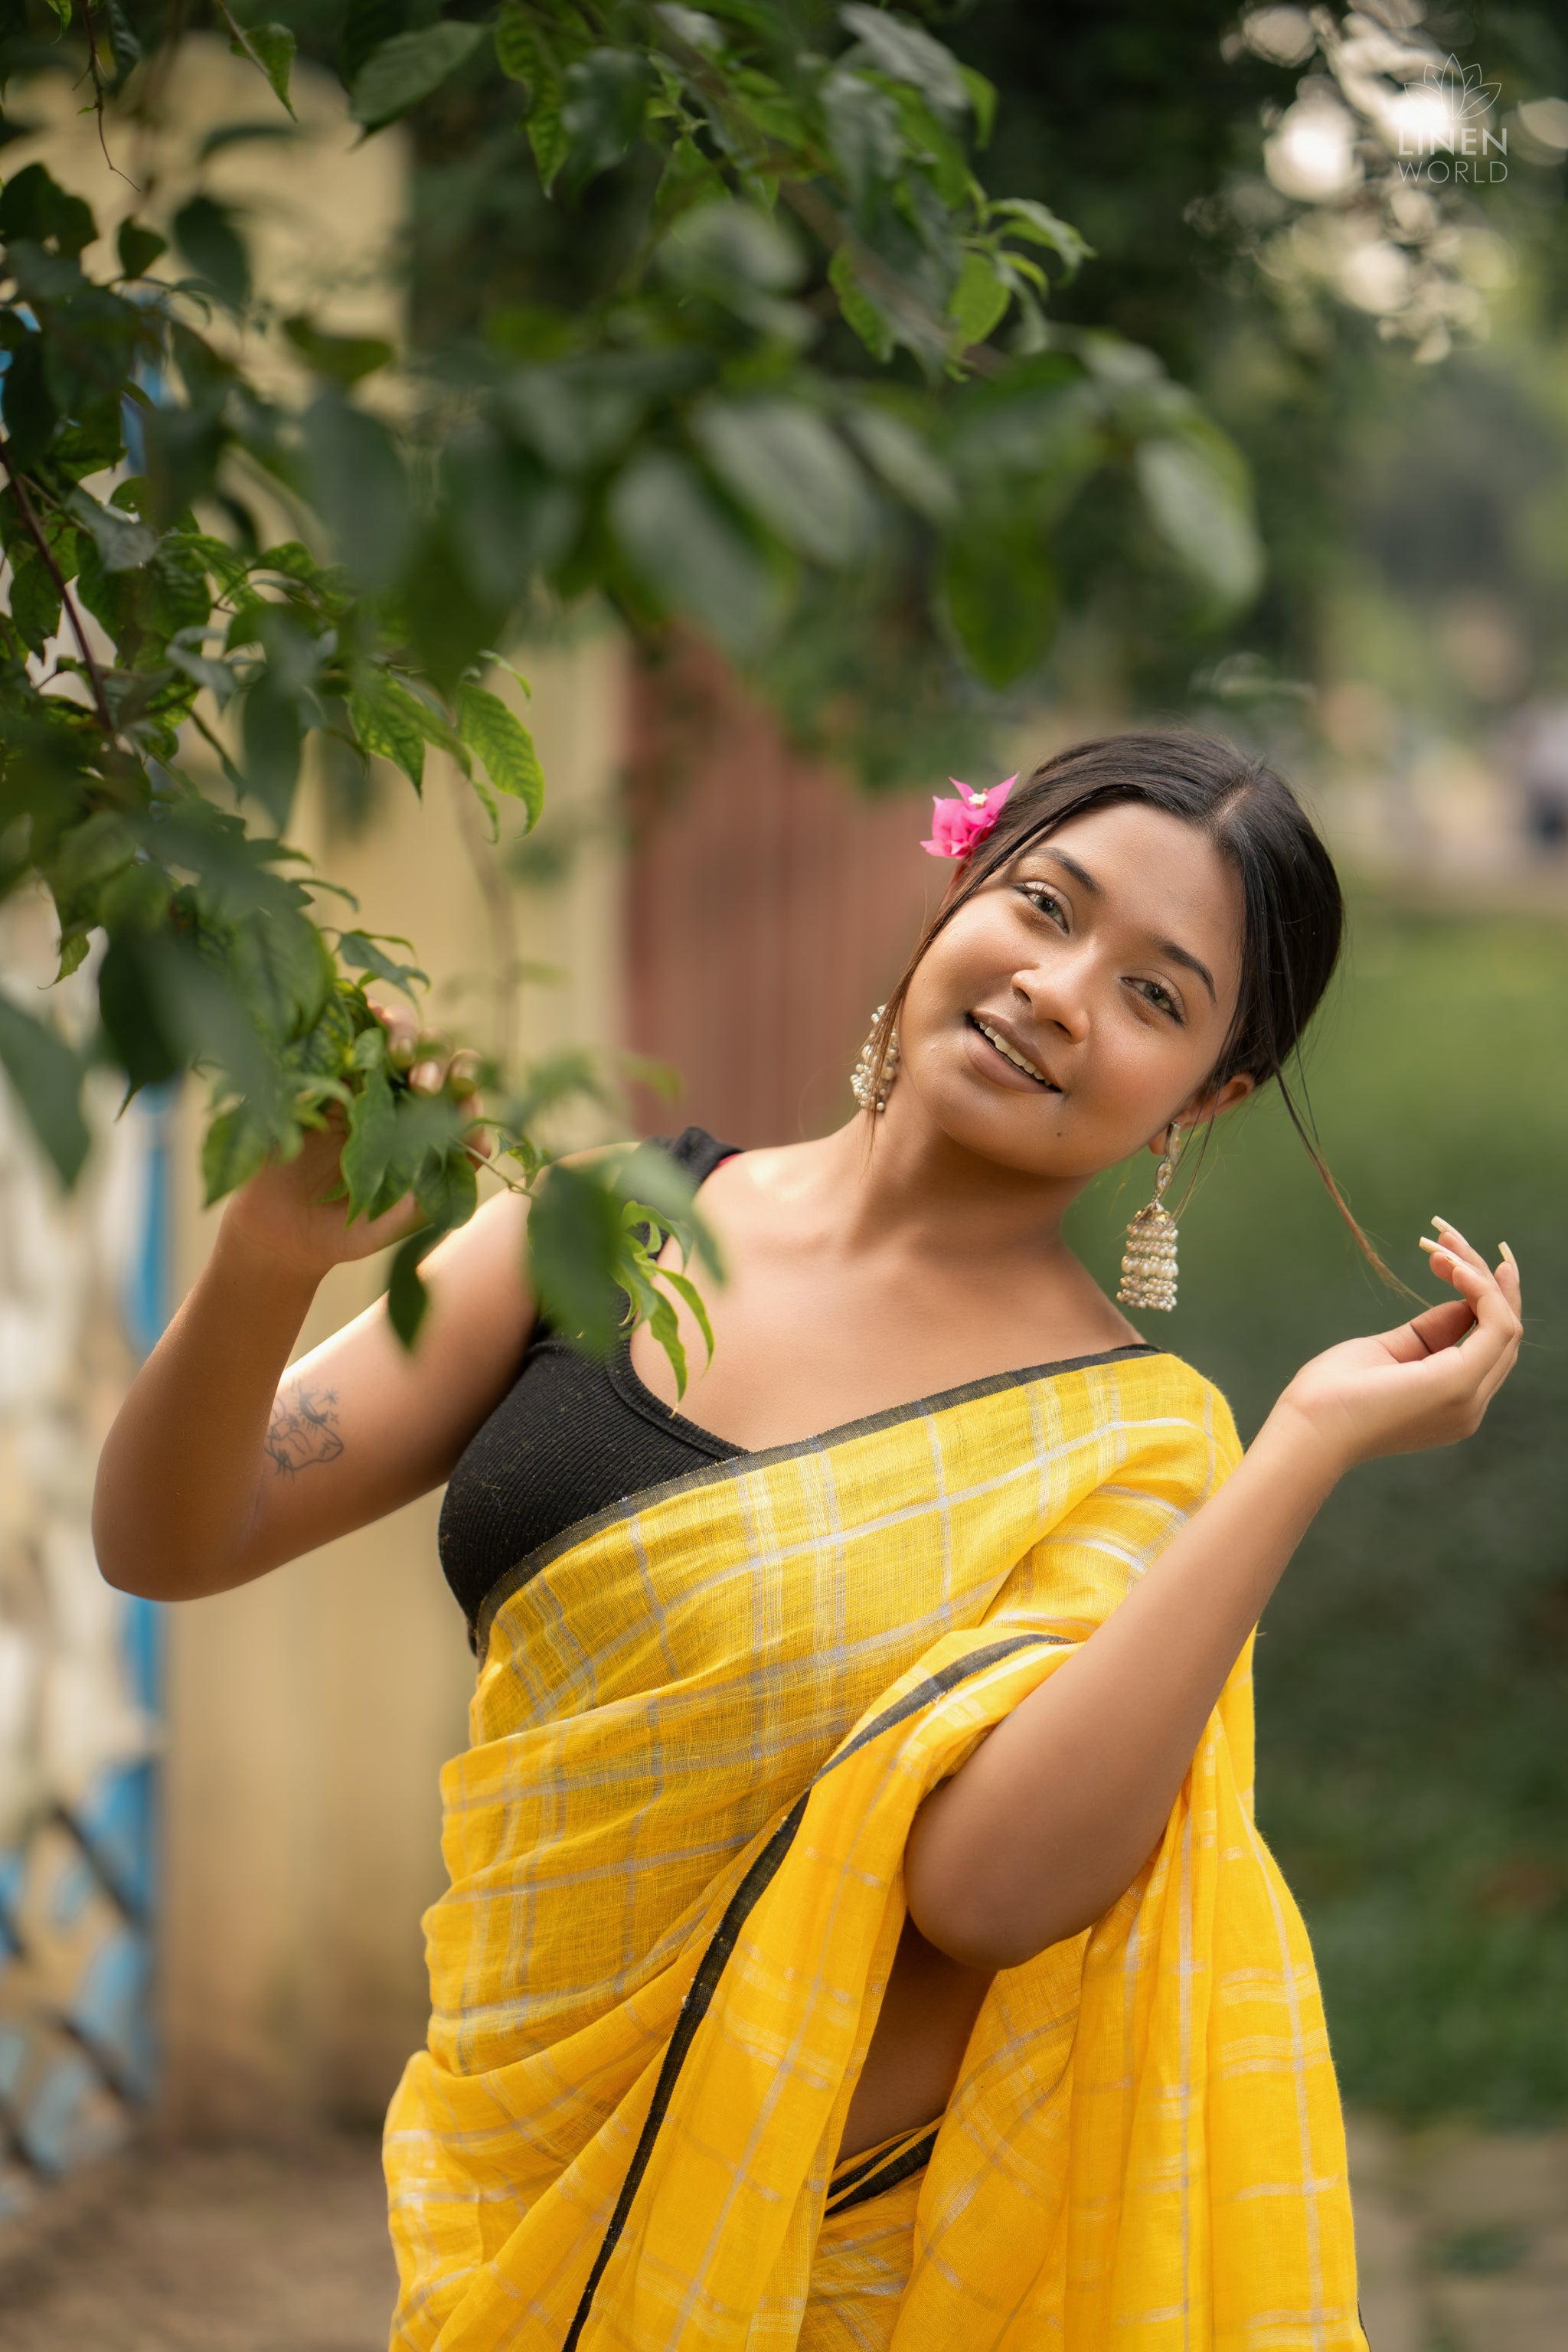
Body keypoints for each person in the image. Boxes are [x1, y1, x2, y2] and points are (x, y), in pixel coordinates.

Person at [94, 732, 1522, 2352]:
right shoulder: (608, 1228)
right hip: (517, 2175)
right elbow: (171, 1534)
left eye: (1154, 995)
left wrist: (1302, 1447)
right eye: (1045, 905)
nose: (1061, 989)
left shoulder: (1131, 1449)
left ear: (1206, 1097)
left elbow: (986, 1893)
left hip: (843, 2268)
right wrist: (271, 1252)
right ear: (960, 885)